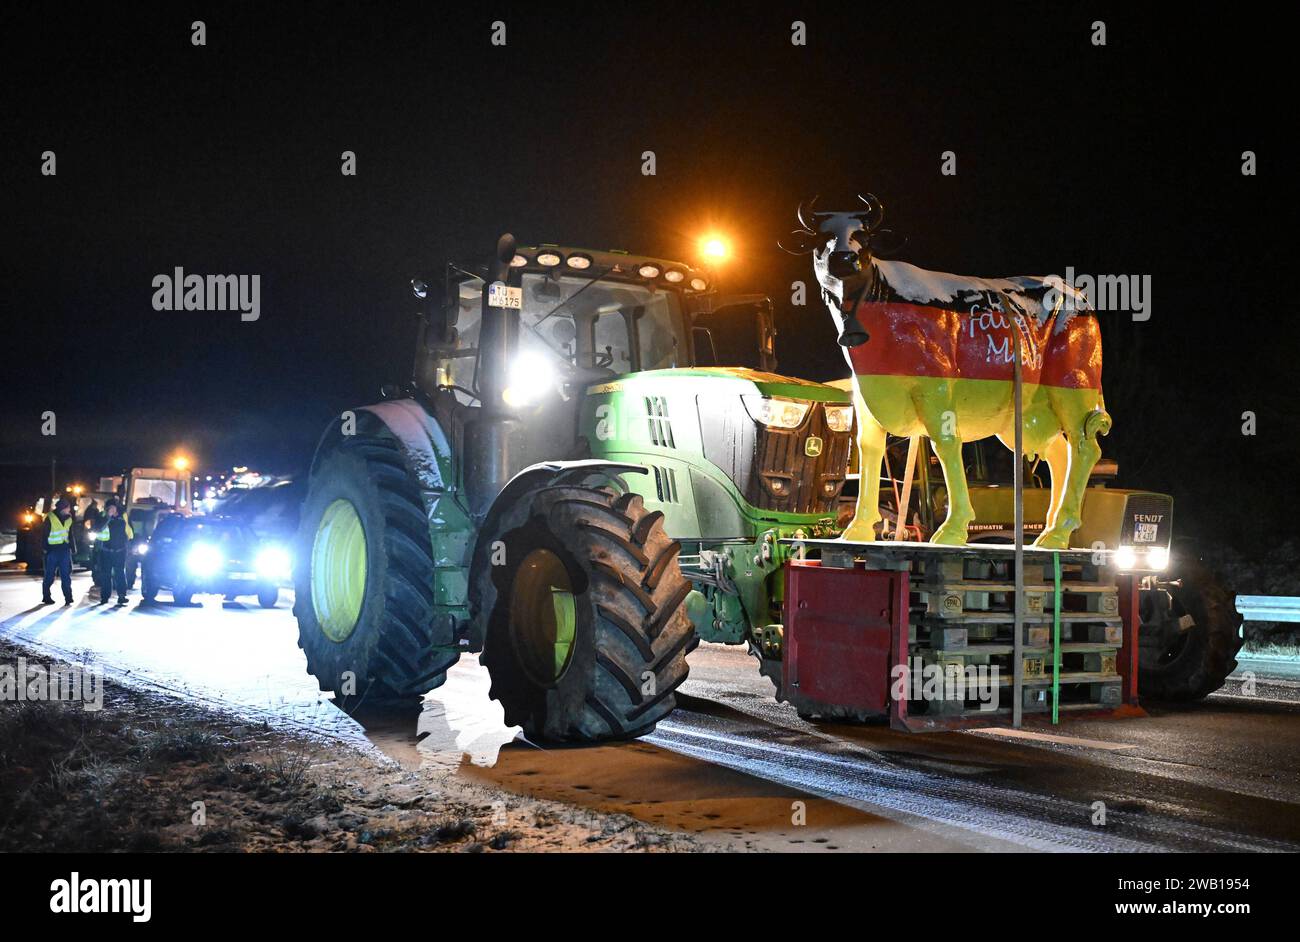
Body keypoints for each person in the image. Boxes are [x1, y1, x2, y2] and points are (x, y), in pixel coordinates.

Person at [98, 498, 134, 606]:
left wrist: (130, 546)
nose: (111, 509)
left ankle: (122, 596)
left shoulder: (123, 517)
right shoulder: (103, 517)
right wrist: (108, 517)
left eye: (113, 507)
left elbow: (129, 531)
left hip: (120, 551)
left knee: (120, 574)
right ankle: (104, 597)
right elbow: (98, 529)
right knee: (106, 575)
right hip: (106, 551)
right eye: (109, 508)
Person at [40, 497, 77, 605]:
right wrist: (45, 549)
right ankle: (46, 597)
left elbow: (70, 534)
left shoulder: (69, 519)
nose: (69, 510)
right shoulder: (50, 518)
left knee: (66, 576)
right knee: (49, 576)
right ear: (62, 508)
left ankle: (68, 598)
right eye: (68, 508)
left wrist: (73, 548)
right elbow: (44, 535)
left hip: (64, 551)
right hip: (52, 551)